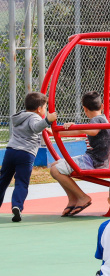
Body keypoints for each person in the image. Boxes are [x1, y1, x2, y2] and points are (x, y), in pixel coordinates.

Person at [50, 91, 110, 217]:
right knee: (55, 164)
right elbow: (78, 131)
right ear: (102, 106)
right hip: (94, 159)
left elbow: (93, 130)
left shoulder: (97, 120)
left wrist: (75, 126)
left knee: (55, 170)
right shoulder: (101, 118)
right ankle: (73, 199)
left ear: (84, 108)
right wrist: (55, 132)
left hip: (95, 162)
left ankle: (82, 197)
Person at [0, 91, 56, 222]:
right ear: (39, 109)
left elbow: (29, 128)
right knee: (21, 182)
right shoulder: (35, 117)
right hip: (26, 154)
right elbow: (35, 127)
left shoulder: (20, 116)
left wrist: (44, 128)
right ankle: (17, 206)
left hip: (11, 151)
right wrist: (48, 120)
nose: (45, 110)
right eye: (45, 107)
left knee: (3, 180)